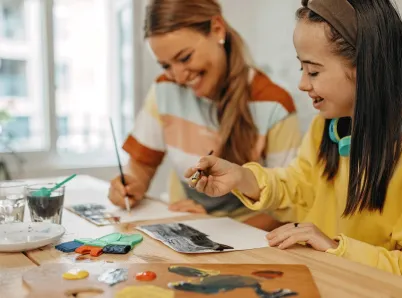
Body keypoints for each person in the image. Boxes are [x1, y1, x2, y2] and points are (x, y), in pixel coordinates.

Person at [185, 0, 402, 294]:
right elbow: (301, 188)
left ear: (363, 66)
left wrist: (336, 248)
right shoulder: (329, 126)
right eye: (301, 68)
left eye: (313, 71)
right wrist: (241, 177)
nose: (302, 83)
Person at [107, 0, 302, 231]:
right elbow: (141, 166)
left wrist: (211, 226)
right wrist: (130, 186)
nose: (178, 77)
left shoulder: (273, 104)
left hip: (248, 241)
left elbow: (288, 208)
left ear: (217, 29)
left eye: (185, 58)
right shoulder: (164, 90)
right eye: (166, 66)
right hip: (183, 229)